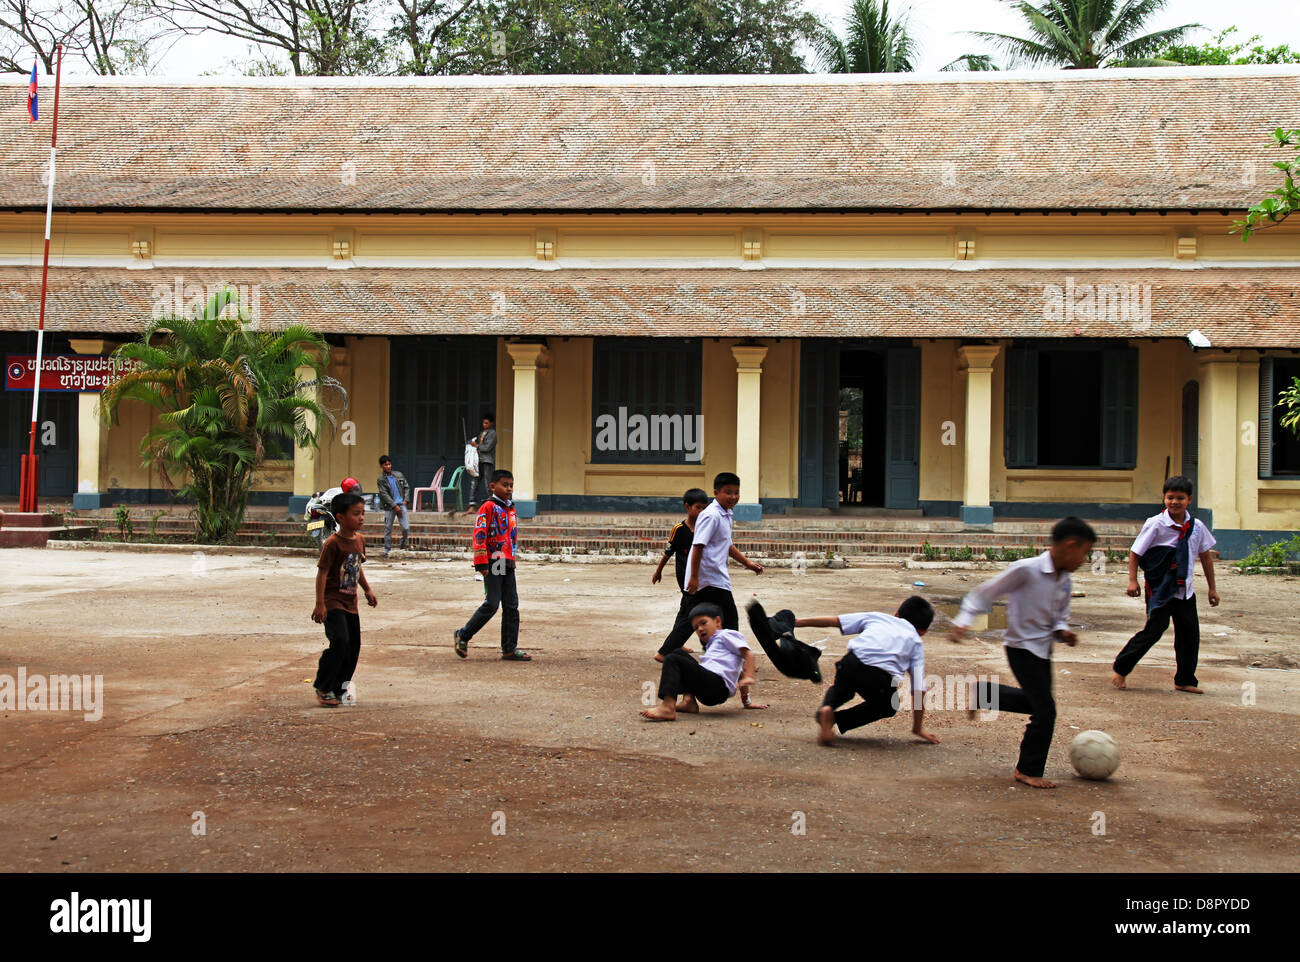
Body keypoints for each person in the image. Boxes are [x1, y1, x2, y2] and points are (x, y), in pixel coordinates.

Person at [948, 516, 1096, 789]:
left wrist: (1063, 630)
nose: (1084, 561)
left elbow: (1060, 614)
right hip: (1020, 647)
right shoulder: (1026, 570)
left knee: (1035, 703)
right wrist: (964, 619)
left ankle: (985, 693)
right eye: (1085, 553)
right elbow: (984, 593)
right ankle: (1027, 769)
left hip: (1043, 648)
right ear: (1070, 546)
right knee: (1045, 713)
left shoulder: (1064, 581)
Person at [1111, 476, 1219, 694]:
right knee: (1154, 630)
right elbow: (1135, 552)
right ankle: (1121, 669)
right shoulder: (1156, 524)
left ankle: (1185, 679)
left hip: (1185, 591)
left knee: (1189, 635)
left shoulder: (1196, 527)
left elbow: (1205, 557)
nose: (1174, 502)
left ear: (1189, 499)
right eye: (1170, 497)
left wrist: (1212, 588)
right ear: (1164, 498)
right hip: (1160, 589)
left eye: (1180, 498)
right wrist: (1132, 581)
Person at [793, 596, 938, 746]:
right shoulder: (916, 642)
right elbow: (919, 689)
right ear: (923, 632)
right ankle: (836, 719)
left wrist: (797, 622)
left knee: (842, 690)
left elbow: (834, 621)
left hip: (851, 661)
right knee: (888, 706)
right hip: (878, 675)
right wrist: (917, 728)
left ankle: (827, 707)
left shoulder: (878, 617)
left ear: (896, 614)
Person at [453, 468, 531, 661]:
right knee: (492, 604)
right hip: (494, 560)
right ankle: (463, 635)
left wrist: (512, 558)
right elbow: (479, 535)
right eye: (505, 485)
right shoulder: (488, 507)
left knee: (512, 605)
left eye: (511, 485)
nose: (509, 489)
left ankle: (509, 649)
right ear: (493, 486)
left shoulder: (510, 507)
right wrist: (481, 562)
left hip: (508, 562)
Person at [640, 603, 766, 721]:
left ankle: (667, 707)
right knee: (678, 653)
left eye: (703, 623)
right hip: (708, 687)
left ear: (717, 621)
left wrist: (750, 676)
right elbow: (738, 671)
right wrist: (746, 701)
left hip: (717, 686)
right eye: (696, 627)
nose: (700, 629)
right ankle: (689, 701)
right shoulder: (715, 645)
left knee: (673, 659)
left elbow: (747, 654)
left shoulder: (727, 635)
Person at [311, 492, 377, 706]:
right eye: (356, 514)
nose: (361, 518)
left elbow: (356, 568)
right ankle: (323, 686)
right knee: (340, 641)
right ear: (340, 517)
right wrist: (320, 603)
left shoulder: (359, 540)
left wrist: (367, 590)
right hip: (333, 601)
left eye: (363, 514)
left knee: (353, 646)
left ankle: (340, 687)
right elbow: (322, 573)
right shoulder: (332, 543)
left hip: (351, 603)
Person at [682, 472, 763, 632]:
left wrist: (748, 563)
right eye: (728, 492)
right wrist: (694, 577)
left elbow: (727, 545)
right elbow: (698, 546)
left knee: (689, 619)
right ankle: (733, 651)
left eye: (736, 492)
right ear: (716, 493)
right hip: (710, 577)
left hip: (712, 576)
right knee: (729, 618)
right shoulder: (712, 515)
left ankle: (666, 651)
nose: (733, 497)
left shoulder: (725, 513)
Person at [651, 488, 709, 662]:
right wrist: (658, 570)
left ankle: (676, 643)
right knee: (692, 610)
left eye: (704, 508)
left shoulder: (703, 528)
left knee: (685, 609)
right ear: (687, 507)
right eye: (698, 507)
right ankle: (669, 648)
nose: (701, 512)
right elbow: (668, 552)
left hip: (698, 574)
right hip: (684, 575)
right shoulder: (679, 529)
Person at [376, 455, 410, 556]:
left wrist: (406, 500)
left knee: (406, 527)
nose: (388, 466)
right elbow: (384, 494)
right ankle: (387, 548)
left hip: (401, 504)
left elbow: (406, 487)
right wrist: (394, 506)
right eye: (386, 465)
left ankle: (403, 545)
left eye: (389, 464)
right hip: (390, 506)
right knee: (388, 528)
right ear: (382, 466)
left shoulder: (398, 475)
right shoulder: (381, 480)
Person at [469, 413, 497, 508]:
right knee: (475, 481)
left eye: (486, 423)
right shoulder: (482, 433)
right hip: (479, 461)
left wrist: (476, 445)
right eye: (483, 423)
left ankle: (491, 503)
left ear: (491, 423)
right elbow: (475, 443)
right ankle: (472, 503)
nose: (484, 425)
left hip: (487, 461)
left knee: (488, 482)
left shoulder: (492, 433)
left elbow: (487, 447)